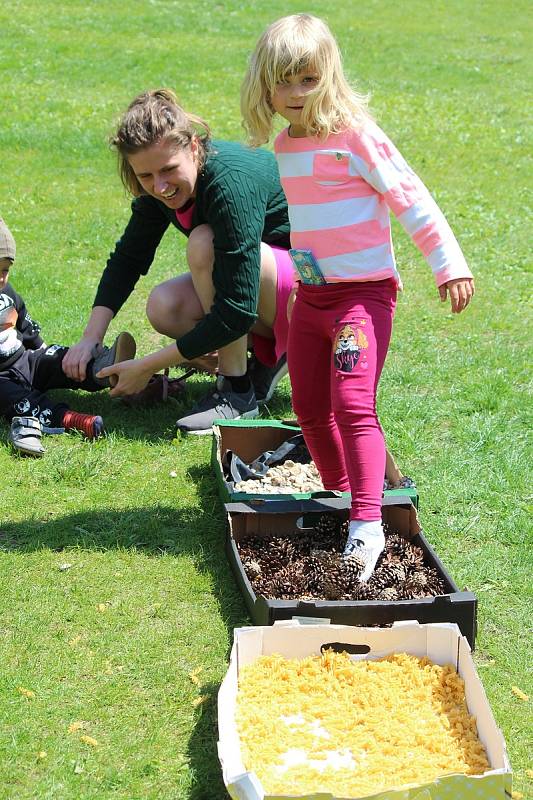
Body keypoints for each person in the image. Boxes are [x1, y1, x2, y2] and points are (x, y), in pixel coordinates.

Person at [241, 14, 475, 580]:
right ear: (264, 85)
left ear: (329, 76)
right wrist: (295, 287)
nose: (295, 94)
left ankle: (367, 525)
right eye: (283, 81)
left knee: (352, 404)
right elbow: (304, 224)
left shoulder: (357, 136)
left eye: (308, 79)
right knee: (307, 407)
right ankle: (341, 495)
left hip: (361, 302)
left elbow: (411, 200)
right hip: (312, 299)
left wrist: (449, 266)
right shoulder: (284, 145)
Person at [62, 89, 293, 435]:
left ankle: (237, 391)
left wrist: (147, 366)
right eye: (145, 176)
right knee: (164, 306)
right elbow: (129, 257)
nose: (160, 186)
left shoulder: (228, 184)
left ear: (194, 148)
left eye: (169, 169)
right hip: (269, 288)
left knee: (204, 243)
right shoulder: (160, 188)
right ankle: (266, 357)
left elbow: (237, 310)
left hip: (313, 297)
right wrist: (90, 338)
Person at [0, 217, 136, 455]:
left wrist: (43, 352)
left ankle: (102, 370)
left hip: (25, 361)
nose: (1, 278)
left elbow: (25, 325)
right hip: (2, 379)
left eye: (4, 270)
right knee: (16, 397)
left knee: (59, 359)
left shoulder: (7, 293)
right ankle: (71, 419)